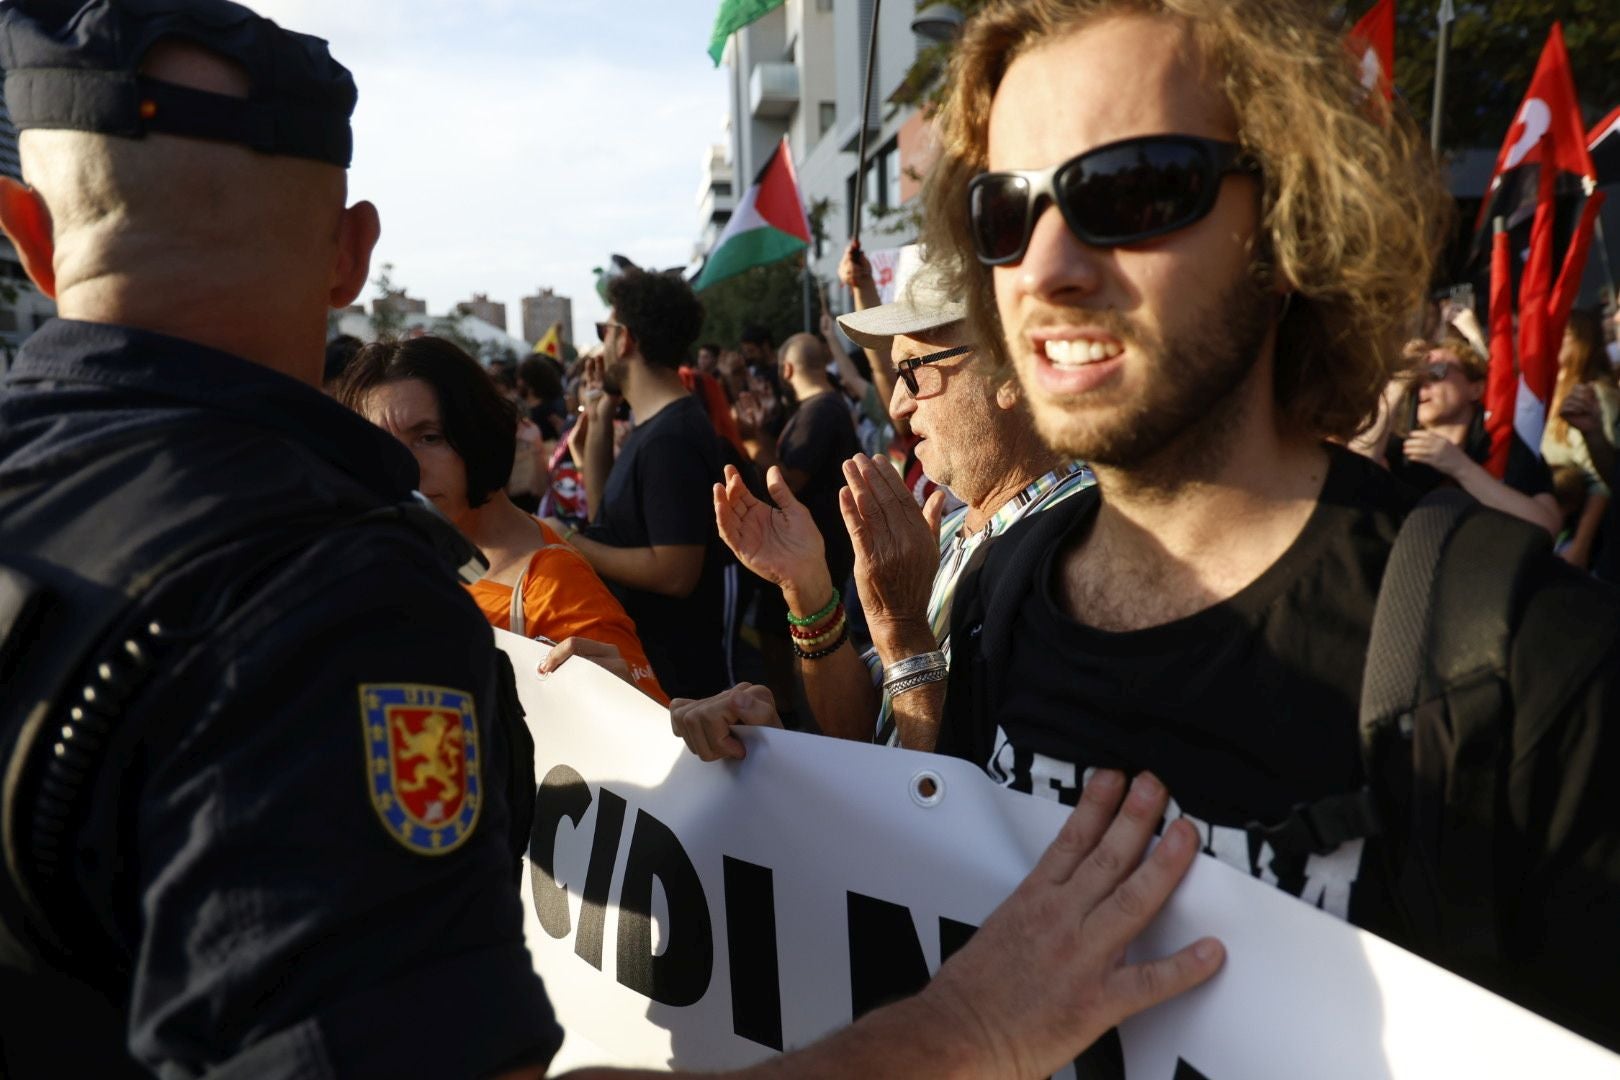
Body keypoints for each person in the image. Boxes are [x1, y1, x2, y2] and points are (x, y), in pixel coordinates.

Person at [0, 2, 1227, 1076]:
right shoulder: (325, 602)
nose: (896, 397)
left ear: (29, 235)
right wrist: (971, 1032)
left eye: (922, 365)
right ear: (348, 254)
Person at [886, 0, 1619, 1051]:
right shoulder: (1004, 593)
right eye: (1008, 212)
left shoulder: (1524, 664)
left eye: (1129, 190)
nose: (1045, 268)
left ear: (1285, 228)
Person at [678, 256, 1089, 756]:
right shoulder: (954, 525)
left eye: (913, 370)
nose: (897, 404)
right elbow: (866, 727)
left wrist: (903, 631)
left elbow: (955, 806)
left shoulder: (1080, 548)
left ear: (1007, 370)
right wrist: (807, 589)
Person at [337, 335, 668, 704]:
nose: (405, 468)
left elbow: (653, 742)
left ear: (477, 433)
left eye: (429, 438)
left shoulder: (553, 586)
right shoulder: (396, 556)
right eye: (384, 447)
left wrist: (621, 701)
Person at [544, 269, 740, 701]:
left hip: (678, 679)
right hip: (652, 663)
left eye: (604, 331)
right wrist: (598, 419)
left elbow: (675, 573)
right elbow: (610, 528)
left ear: (626, 339)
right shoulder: (652, 428)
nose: (601, 346)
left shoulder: (671, 438)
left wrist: (570, 540)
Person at [1375, 333, 1561, 534]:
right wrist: (1397, 384)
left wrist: (1461, 467)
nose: (1423, 385)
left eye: (1437, 371)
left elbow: (1547, 526)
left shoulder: (1505, 446)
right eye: (1416, 379)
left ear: (1476, 389)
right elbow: (1356, 465)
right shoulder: (1396, 450)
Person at [1542, 309, 1619, 568]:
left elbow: (1603, 482)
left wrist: (1580, 546)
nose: (1616, 318)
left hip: (1576, 534)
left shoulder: (1594, 396)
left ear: (1584, 342)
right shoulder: (1542, 389)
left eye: (1564, 335)